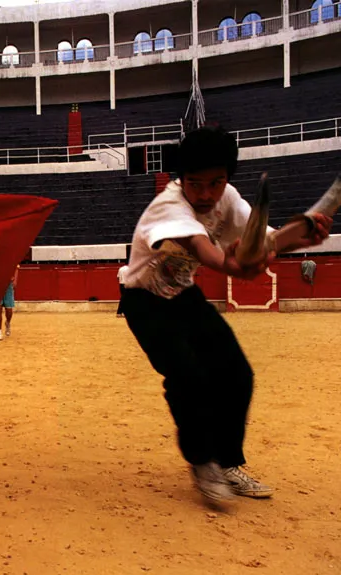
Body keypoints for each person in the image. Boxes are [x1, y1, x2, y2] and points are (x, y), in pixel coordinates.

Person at [119, 126, 332, 505]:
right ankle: (203, 462)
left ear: (227, 180)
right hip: (145, 301)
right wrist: (240, 264)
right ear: (180, 180)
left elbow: (262, 239)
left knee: (237, 373)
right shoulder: (168, 206)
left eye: (215, 183)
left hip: (183, 295)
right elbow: (211, 254)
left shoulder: (227, 198)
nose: (205, 194)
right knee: (187, 376)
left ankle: (229, 462)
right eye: (195, 183)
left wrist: (303, 233)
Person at [0, 265, 18, 341]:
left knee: (9, 310)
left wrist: (15, 280)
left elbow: (16, 267)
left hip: (8, 285)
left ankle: (7, 322)